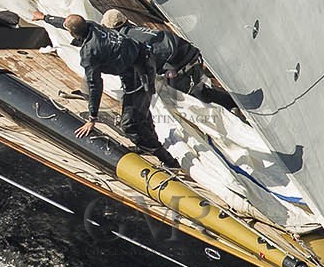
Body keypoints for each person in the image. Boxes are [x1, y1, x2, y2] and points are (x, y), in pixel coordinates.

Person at [31, 11, 179, 169]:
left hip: (138, 76)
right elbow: (71, 24)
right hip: (142, 62)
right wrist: (45, 18)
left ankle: (168, 161)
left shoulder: (90, 53)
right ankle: (150, 143)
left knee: (130, 125)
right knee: (140, 112)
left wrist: (92, 118)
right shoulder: (92, 26)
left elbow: (95, 85)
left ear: (73, 33)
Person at [100, 10, 235, 111]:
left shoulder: (127, 42)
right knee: (200, 88)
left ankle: (231, 108)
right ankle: (229, 103)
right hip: (189, 52)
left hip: (181, 66)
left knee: (198, 96)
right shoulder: (136, 29)